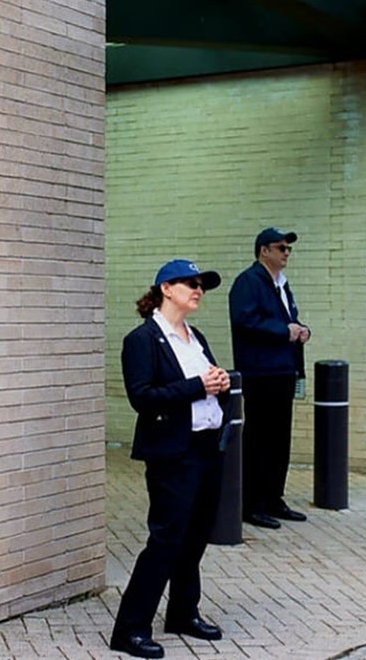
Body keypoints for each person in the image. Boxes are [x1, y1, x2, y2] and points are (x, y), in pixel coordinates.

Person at [110, 259, 233, 659]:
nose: (198, 290)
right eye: (190, 283)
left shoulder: (194, 336)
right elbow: (142, 397)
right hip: (172, 454)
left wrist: (220, 383)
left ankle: (182, 612)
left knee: (195, 537)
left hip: (205, 448)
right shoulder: (142, 339)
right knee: (166, 539)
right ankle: (130, 628)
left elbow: (203, 387)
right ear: (166, 288)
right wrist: (198, 386)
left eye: (201, 285)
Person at [228, 227, 312, 530]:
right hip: (260, 372)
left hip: (283, 371)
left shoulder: (281, 284)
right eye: (281, 248)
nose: (286, 253)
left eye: (288, 249)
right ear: (264, 250)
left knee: (279, 440)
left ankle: (274, 497)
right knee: (259, 440)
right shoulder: (249, 282)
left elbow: (287, 318)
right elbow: (245, 319)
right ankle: (251, 503)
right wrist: (283, 331)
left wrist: (301, 329)